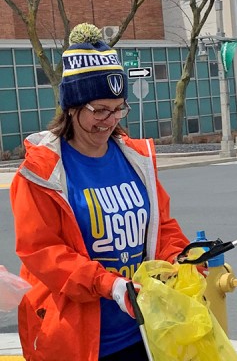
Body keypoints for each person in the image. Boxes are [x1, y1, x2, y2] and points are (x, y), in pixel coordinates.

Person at [10, 23, 190, 361]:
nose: (110, 120)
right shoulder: (39, 175)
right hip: (77, 340)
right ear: (72, 106)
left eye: (119, 108)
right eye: (99, 110)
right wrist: (108, 285)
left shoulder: (136, 160)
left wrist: (180, 257)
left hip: (144, 332)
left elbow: (160, 227)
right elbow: (44, 254)